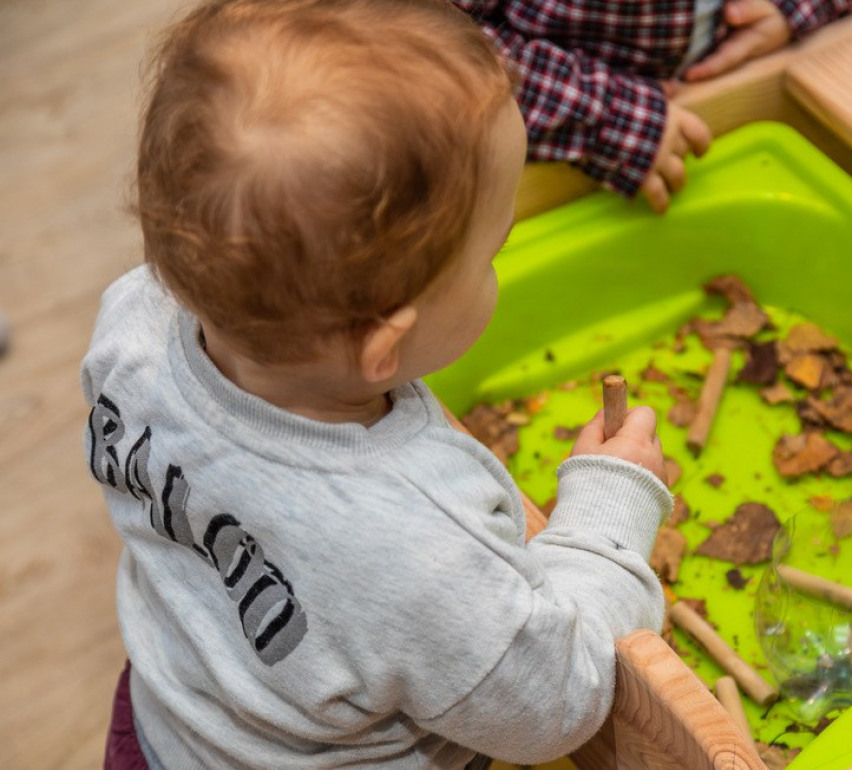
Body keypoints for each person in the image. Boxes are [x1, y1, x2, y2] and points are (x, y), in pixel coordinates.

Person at [83, 1, 671, 768]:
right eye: (493, 251)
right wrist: (608, 509)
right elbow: (555, 702)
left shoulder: (131, 320)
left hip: (170, 730)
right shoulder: (414, 546)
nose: (498, 264)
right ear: (384, 344)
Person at [455, 0, 852, 212]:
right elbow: (431, 47)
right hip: (537, 157)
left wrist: (793, 8)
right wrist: (608, 116)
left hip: (735, 94)